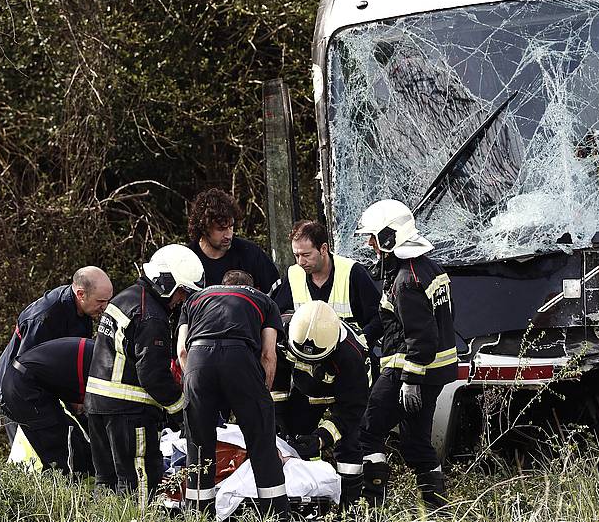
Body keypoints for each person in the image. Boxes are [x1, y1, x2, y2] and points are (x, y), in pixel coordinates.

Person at [354, 199, 458, 509]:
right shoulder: (426, 267)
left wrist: (410, 379)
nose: (371, 245)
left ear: (389, 237)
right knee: (416, 444)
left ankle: (372, 509)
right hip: (431, 373)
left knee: (368, 434)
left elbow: (422, 337)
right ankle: (437, 510)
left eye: (373, 238)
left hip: (407, 372)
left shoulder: (406, 280)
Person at [84, 244, 204, 506]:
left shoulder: (125, 298)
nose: (182, 300)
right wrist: (181, 409)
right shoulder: (152, 315)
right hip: (129, 414)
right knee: (140, 484)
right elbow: (152, 375)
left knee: (107, 483)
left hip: (98, 408)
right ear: (166, 282)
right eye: (182, 292)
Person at [177, 269, 289, 519]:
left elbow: (182, 352)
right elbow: (269, 354)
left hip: (197, 359)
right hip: (240, 359)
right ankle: (275, 515)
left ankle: (197, 514)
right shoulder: (264, 301)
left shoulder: (195, 299)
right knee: (262, 444)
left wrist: (195, 387)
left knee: (198, 445)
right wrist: (260, 396)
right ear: (253, 287)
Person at [0, 266, 113, 439]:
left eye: (107, 301)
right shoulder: (44, 318)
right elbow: (23, 371)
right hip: (14, 390)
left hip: (47, 385)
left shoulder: (83, 310)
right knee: (28, 453)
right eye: (100, 301)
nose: (104, 307)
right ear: (81, 294)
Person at [273, 300, 368, 509]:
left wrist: (321, 438)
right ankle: (310, 501)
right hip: (307, 390)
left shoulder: (350, 356)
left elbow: (351, 409)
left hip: (345, 394)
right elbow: (277, 375)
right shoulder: (282, 332)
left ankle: (349, 506)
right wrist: (278, 415)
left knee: (349, 448)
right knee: (297, 437)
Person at [271, 219, 382, 348]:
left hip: (348, 360)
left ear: (323, 249)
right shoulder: (293, 275)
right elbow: (277, 318)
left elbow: (378, 319)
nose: (301, 262)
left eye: (306, 255)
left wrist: (358, 343)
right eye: (296, 255)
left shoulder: (352, 272)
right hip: (306, 359)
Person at [1, 336, 95, 474]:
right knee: (59, 448)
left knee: (73, 438)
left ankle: (80, 478)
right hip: (23, 385)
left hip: (28, 380)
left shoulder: (99, 352)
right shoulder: (102, 363)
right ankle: (63, 487)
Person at [187, 188, 280, 293]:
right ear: (204, 228)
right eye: (221, 229)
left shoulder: (250, 254)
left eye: (231, 227)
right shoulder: (186, 260)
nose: (228, 235)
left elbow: (277, 298)